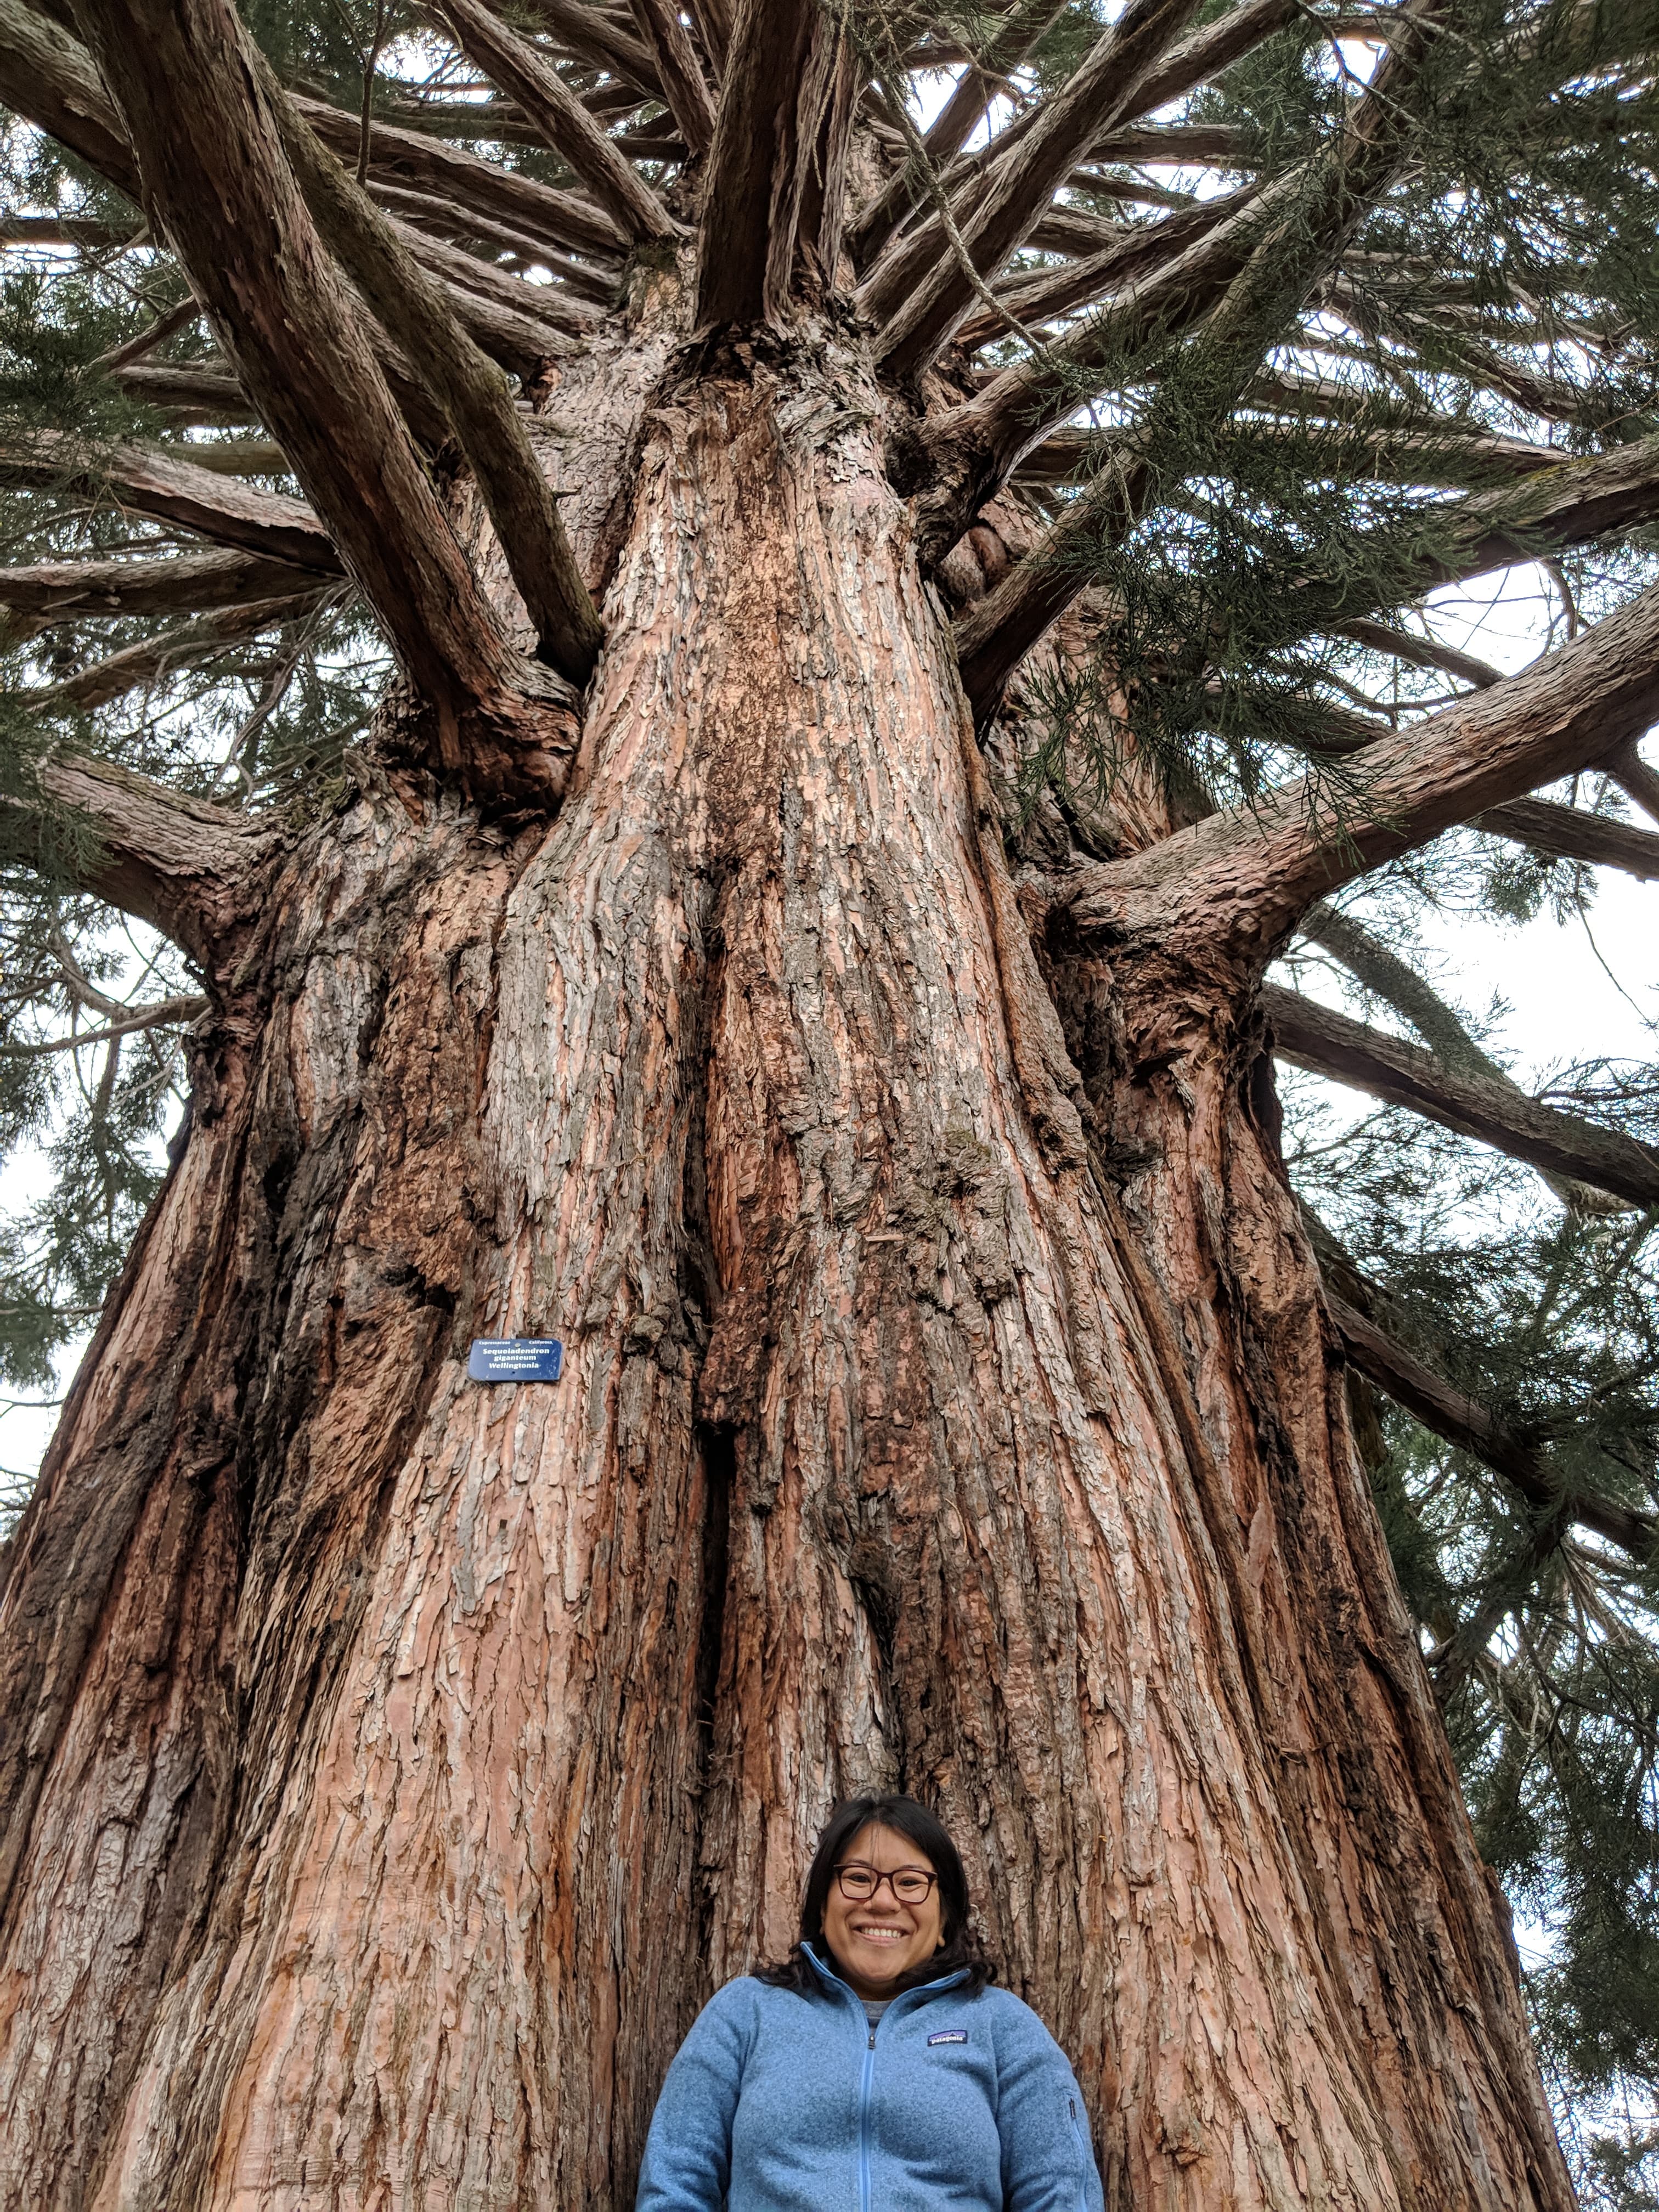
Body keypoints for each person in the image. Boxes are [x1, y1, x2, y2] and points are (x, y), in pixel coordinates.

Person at [635, 1793, 1105, 2212]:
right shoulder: (746, 2013)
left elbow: (1060, 2195)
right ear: (823, 1907)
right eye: (858, 1878)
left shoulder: (1001, 2026)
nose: (882, 1901)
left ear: (944, 1919)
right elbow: (676, 2184)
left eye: (910, 1882)